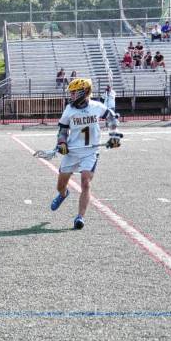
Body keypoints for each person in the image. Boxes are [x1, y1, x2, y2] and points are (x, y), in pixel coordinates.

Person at [49, 78, 122, 230]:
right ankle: (63, 195)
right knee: (60, 185)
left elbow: (111, 118)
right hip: (72, 152)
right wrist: (62, 143)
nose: (72, 96)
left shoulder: (96, 106)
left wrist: (114, 135)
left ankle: (80, 217)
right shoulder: (69, 110)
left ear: (83, 92)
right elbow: (62, 131)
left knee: (85, 182)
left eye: (74, 93)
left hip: (90, 151)